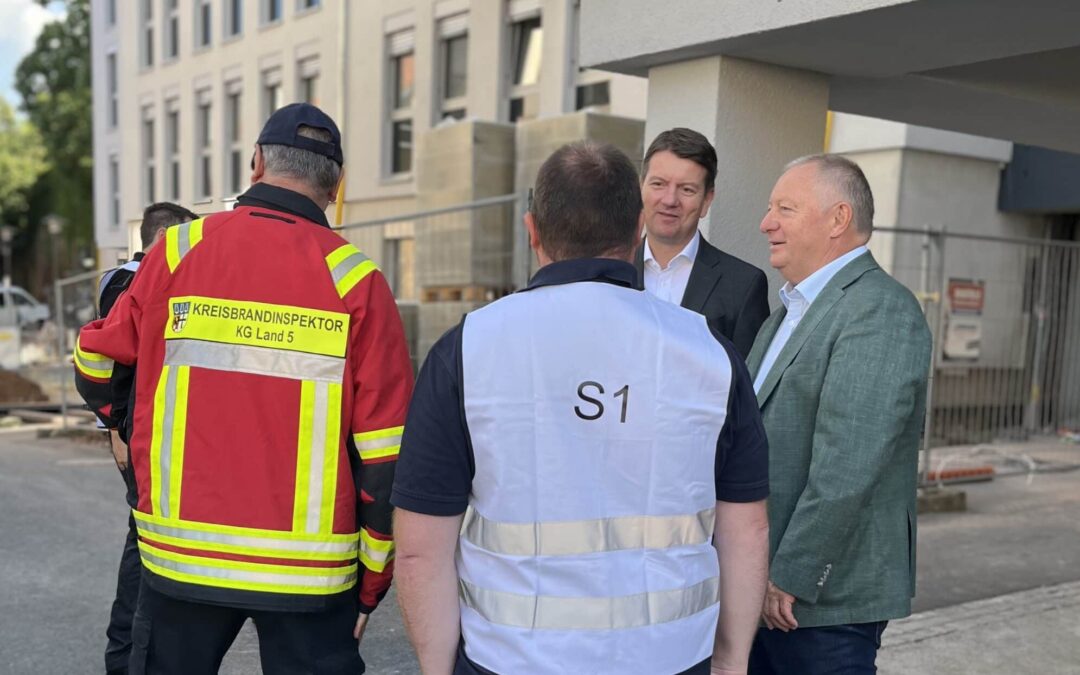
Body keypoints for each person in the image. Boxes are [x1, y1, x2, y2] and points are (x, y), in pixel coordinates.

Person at [392, 141, 770, 675]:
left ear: (532, 230)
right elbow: (746, 528)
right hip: (672, 655)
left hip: (513, 658)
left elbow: (419, 551)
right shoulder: (708, 352)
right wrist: (732, 662)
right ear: (639, 226)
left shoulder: (468, 348)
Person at [73, 102, 413, 674]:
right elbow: (385, 455)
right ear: (335, 187)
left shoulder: (177, 252)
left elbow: (96, 363)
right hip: (310, 572)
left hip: (180, 558)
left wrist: (127, 432)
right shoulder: (358, 281)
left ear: (255, 162)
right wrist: (371, 585)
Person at [745, 154, 931, 674]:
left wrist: (792, 574)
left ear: (837, 219)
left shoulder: (879, 309)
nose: (766, 222)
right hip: (767, 595)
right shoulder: (788, 313)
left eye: (785, 207)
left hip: (819, 605)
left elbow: (848, 463)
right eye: (769, 208)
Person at [97, 201, 198, 675]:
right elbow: (107, 359)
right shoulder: (130, 282)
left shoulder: (128, 282)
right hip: (145, 441)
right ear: (162, 238)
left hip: (149, 437)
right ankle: (126, 661)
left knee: (146, 553)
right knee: (143, 562)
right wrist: (116, 428)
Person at [635, 128, 770, 358]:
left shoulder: (743, 286)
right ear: (641, 187)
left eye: (687, 189)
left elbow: (746, 385)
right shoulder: (606, 271)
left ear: (707, 200)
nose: (669, 200)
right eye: (658, 184)